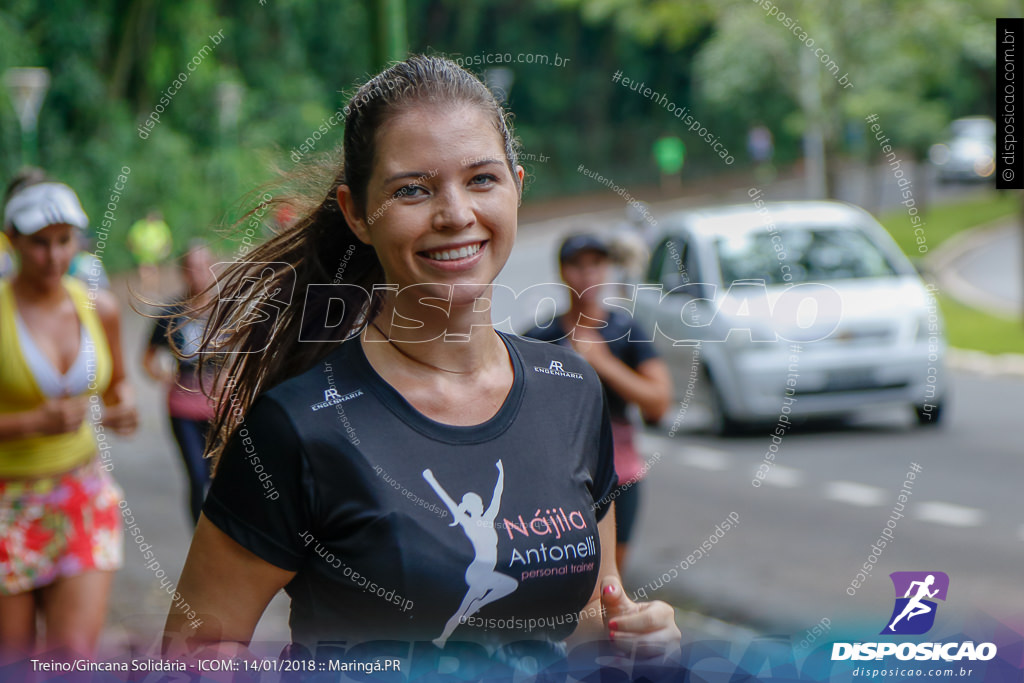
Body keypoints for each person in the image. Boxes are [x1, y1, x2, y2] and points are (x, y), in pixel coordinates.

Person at [163, 55, 680, 667]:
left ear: (517, 185)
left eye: (482, 179)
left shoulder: (571, 390)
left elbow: (593, 614)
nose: (456, 214)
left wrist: (638, 642)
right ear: (357, 213)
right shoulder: (300, 426)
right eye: (413, 189)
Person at [0, 174, 138, 661]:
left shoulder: (97, 307)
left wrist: (123, 410)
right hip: (6, 501)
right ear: (11, 238)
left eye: (65, 241)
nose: (55, 257)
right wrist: (32, 423)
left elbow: (119, 386)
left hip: (81, 494)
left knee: (71, 660)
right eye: (39, 243)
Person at [525, 234, 671, 572]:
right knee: (564, 572)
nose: (587, 274)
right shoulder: (539, 337)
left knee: (610, 579)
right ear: (562, 272)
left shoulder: (626, 330)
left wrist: (603, 363)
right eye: (577, 265)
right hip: (559, 479)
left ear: (607, 269)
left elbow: (658, 403)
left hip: (620, 474)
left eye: (596, 264)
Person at [142, 243, 218, 525]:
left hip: (219, 410)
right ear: (183, 273)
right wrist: (162, 376)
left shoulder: (227, 311)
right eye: (191, 268)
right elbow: (148, 357)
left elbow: (248, 355)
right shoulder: (171, 313)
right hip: (183, 408)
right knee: (197, 476)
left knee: (218, 476)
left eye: (202, 267)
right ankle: (198, 536)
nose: (197, 274)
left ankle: (219, 538)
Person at [127, 209, 172, 293]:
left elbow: (167, 239)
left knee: (152, 269)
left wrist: (165, 249)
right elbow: (132, 237)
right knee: (144, 269)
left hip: (154, 253)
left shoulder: (160, 226)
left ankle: (152, 287)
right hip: (143, 253)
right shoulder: (140, 226)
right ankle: (147, 287)